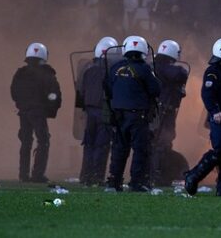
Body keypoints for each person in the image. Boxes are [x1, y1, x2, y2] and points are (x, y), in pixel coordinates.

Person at [185, 37, 221, 197]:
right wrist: (214, 110)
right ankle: (193, 176)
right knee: (220, 151)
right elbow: (207, 93)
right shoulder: (214, 71)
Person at [106, 35, 161, 192]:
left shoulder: (115, 68)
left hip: (118, 115)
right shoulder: (144, 69)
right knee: (140, 149)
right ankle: (136, 182)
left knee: (119, 149)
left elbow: (108, 89)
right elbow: (155, 90)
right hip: (137, 116)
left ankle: (114, 182)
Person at [10, 42, 62, 183]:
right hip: (38, 112)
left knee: (26, 142)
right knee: (43, 141)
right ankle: (38, 174)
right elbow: (54, 95)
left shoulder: (20, 73)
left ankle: (23, 174)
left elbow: (13, 93)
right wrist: (50, 110)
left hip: (23, 112)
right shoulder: (47, 74)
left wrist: (22, 104)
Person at [79, 36, 118, 186]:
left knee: (89, 144)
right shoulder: (112, 71)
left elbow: (81, 92)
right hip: (105, 111)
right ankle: (97, 176)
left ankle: (85, 176)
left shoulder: (88, 70)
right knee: (102, 145)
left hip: (90, 112)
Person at [151, 39, 189, 185]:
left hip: (156, 111)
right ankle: (157, 175)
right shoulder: (164, 68)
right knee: (161, 142)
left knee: (158, 142)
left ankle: (156, 174)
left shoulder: (152, 66)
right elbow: (180, 73)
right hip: (163, 112)